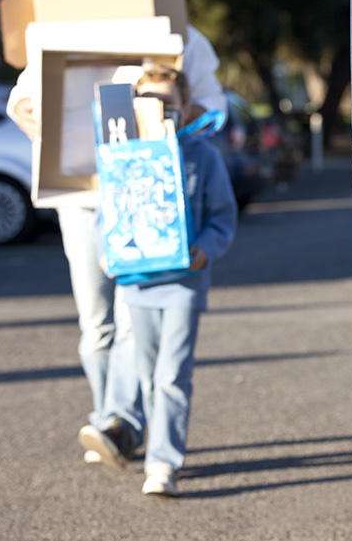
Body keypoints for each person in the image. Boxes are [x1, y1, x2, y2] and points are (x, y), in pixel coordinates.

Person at [6, 0, 227, 466]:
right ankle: (109, 417)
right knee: (96, 322)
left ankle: (119, 423)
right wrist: (24, 110)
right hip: (78, 193)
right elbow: (21, 98)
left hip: (144, 192)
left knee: (132, 314)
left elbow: (217, 110)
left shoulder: (182, 33)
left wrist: (183, 112)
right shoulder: (58, 27)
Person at [83, 65, 237, 497]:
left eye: (168, 103)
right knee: (148, 376)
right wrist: (105, 250)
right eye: (148, 103)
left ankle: (164, 463)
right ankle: (147, 445)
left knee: (172, 375)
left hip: (184, 284)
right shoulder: (122, 156)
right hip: (137, 283)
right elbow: (105, 216)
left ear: (185, 107)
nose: (160, 111)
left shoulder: (203, 156)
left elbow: (223, 216)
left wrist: (206, 249)